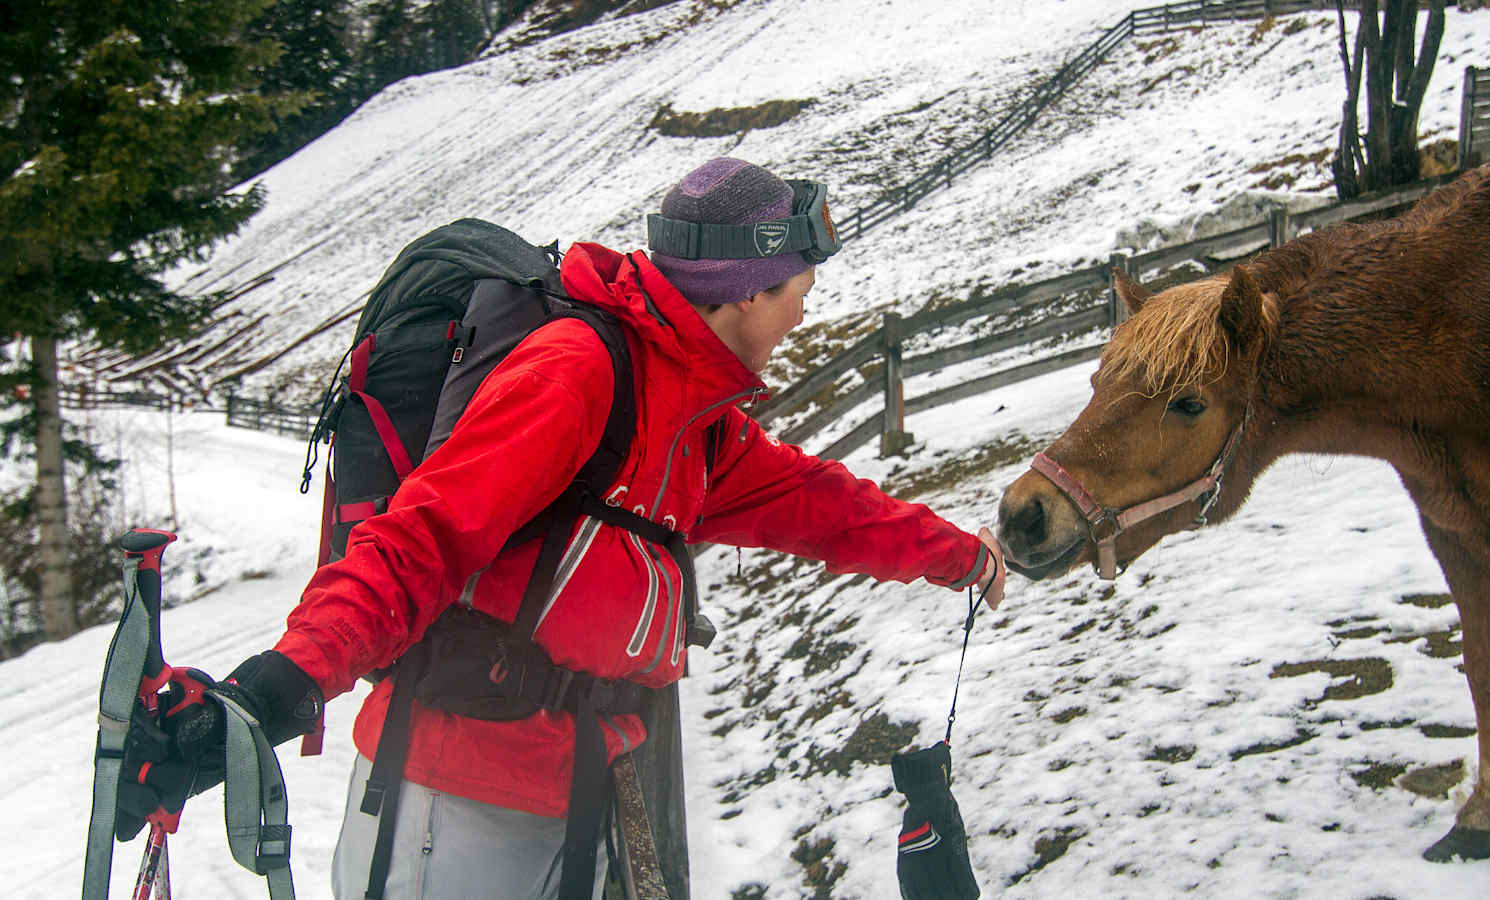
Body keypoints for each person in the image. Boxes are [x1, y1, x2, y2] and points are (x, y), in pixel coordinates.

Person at [116, 157, 1007, 899]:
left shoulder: (691, 419)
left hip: (574, 788)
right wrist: (276, 688)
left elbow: (820, 505)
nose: (806, 310)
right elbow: (420, 540)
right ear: (750, 291)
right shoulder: (579, 373)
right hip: (453, 798)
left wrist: (959, 555)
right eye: (800, 289)